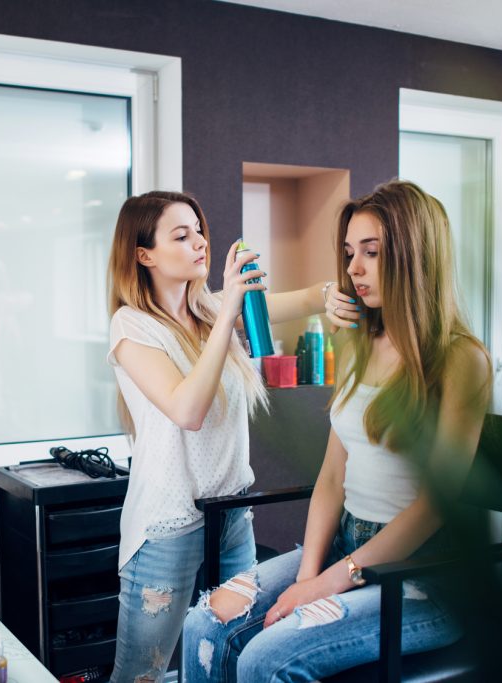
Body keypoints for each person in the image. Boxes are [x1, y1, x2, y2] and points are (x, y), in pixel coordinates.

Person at [181, 180, 492, 682]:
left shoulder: (462, 360)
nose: (353, 268)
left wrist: (326, 585)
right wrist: (306, 579)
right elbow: (332, 474)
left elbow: (436, 503)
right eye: (350, 252)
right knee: (205, 624)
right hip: (346, 547)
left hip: (424, 579)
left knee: (265, 659)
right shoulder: (359, 341)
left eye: (371, 252)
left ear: (417, 257)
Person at [106, 190, 357, 682]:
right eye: (181, 235)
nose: (200, 242)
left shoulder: (211, 310)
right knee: (144, 675)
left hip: (232, 518)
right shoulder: (131, 327)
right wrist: (227, 312)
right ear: (143, 255)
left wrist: (329, 293)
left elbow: (306, 298)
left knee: (225, 656)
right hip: (167, 528)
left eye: (199, 229)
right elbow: (188, 409)